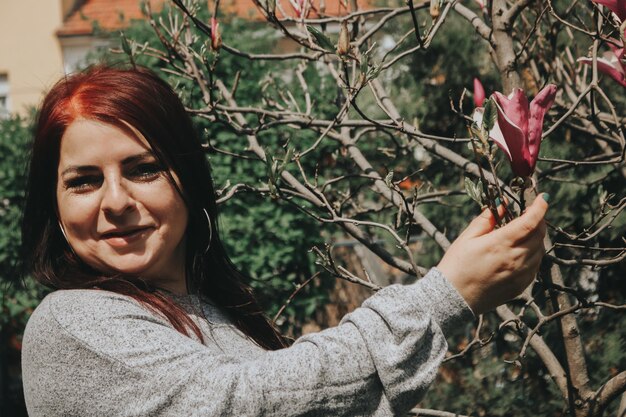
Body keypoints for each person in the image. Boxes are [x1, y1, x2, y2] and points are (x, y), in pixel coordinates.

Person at [20, 65, 548, 417]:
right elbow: (244, 402)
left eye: (143, 169)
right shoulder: (72, 322)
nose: (114, 200)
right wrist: (444, 297)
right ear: (56, 207)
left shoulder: (206, 311)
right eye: (84, 180)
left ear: (187, 180)